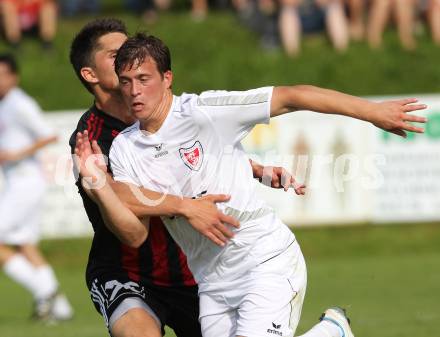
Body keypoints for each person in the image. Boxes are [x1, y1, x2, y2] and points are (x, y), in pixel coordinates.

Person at [76, 32, 426, 337]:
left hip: (262, 259)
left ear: (167, 78)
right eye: (126, 81)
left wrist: (372, 112)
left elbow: (292, 96)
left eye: (144, 78)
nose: (135, 91)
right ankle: (331, 331)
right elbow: (133, 229)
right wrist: (108, 187)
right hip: (210, 280)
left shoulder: (205, 111)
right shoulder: (125, 146)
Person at [68, 18, 303, 337]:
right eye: (115, 53)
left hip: (191, 270)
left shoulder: (158, 111)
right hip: (129, 270)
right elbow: (121, 197)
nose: (128, 55)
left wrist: (251, 168)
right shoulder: (92, 138)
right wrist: (185, 206)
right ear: (90, 74)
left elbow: (180, 157)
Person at [0, 54, 73, 322]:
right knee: (25, 245)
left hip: (25, 181)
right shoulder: (5, 104)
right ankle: (60, 307)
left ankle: (47, 292)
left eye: (2, 74)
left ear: (14, 77)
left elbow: (49, 134)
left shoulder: (20, 103)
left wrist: (19, 154)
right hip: (15, 183)